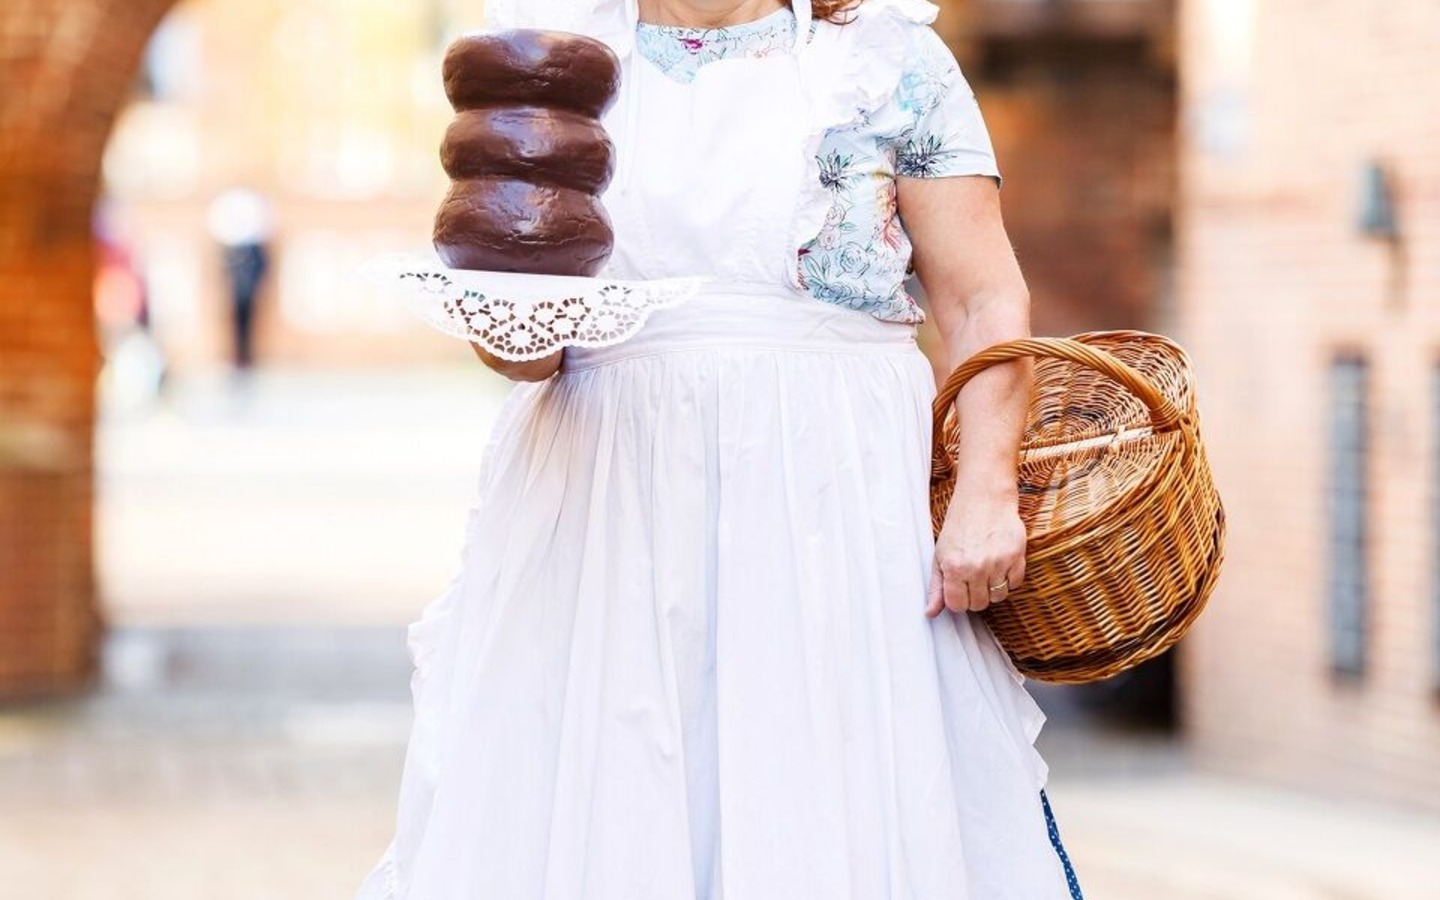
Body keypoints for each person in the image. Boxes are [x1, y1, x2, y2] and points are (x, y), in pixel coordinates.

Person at [358, 1, 1085, 897]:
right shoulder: (555, 58)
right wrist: (510, 306)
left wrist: (986, 489)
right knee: (610, 810)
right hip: (605, 513)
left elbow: (981, 301)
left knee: (824, 802)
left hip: (835, 512)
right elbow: (526, 356)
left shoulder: (891, 60)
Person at [206, 187, 273, 370]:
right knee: (235, 322)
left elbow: (261, 266)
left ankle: (247, 357)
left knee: (249, 322)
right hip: (236, 290)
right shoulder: (232, 248)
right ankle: (237, 357)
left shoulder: (253, 248)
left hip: (248, 290)